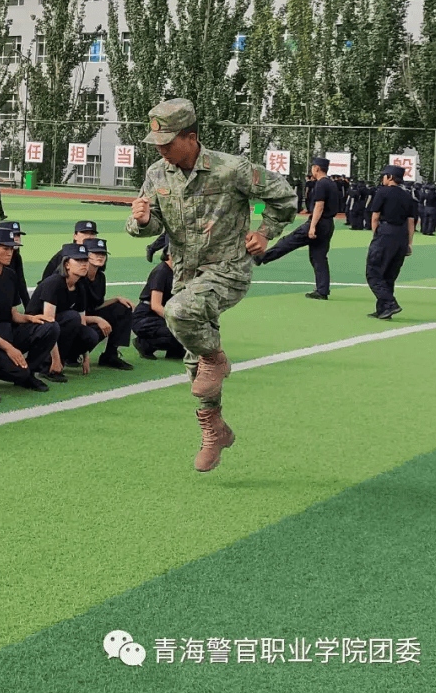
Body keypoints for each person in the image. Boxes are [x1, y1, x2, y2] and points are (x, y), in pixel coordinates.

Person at [126, 98, 297, 473]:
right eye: (156, 142)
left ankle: (217, 358)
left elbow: (284, 195)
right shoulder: (157, 173)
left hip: (228, 270)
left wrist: (265, 232)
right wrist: (140, 220)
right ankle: (214, 429)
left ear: (191, 137)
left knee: (180, 315)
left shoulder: (230, 169)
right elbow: (149, 224)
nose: (161, 149)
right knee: (195, 370)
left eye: (168, 141)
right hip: (186, 277)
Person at [0, 227, 60, 391]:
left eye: (12, 248)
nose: (10, 253)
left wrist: (31, 319)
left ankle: (28, 372)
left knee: (51, 327)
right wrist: (10, 349)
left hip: (9, 331)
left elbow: (13, 314)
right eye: (5, 248)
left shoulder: (10, 275)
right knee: (17, 372)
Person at [255, 156, 340, 300]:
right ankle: (322, 291)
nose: (312, 170)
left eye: (312, 167)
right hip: (328, 224)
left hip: (317, 223)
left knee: (289, 241)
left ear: (317, 168)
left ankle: (262, 257)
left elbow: (319, 206)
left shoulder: (321, 184)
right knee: (319, 257)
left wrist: (312, 226)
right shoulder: (332, 184)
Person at [27, 243, 112, 380]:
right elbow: (49, 321)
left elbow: (82, 321)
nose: (83, 264)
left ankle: (66, 359)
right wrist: (56, 360)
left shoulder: (80, 285)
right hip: (36, 329)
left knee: (90, 335)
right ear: (66, 264)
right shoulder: (54, 283)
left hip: (58, 325)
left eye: (85, 260)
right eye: (78, 260)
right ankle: (47, 366)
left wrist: (86, 356)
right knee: (71, 318)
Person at [365, 164, 417, 320]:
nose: (383, 178)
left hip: (386, 233)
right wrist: (409, 242)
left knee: (373, 272)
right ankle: (383, 310)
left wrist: (376, 235)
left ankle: (390, 303)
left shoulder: (382, 192)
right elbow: (411, 222)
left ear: (390, 177)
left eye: (384, 175)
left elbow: (375, 217)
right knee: (389, 275)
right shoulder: (407, 195)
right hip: (402, 236)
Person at [76, 237, 134, 371]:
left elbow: (96, 305)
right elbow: (74, 313)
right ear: (87, 255)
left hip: (89, 316)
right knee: (96, 329)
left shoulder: (100, 277)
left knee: (122, 309)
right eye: (95, 253)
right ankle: (73, 354)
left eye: (102, 253)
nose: (100, 256)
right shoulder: (79, 278)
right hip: (76, 320)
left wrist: (116, 299)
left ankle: (110, 355)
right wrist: (98, 319)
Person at [131, 247, 186, 360]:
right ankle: (145, 344)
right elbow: (155, 305)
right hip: (146, 316)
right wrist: (177, 320)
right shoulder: (161, 271)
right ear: (168, 254)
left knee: (186, 333)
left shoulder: (180, 272)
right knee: (179, 331)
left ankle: (174, 350)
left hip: (161, 315)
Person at [0, 219, 31, 303]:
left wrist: (30, 310)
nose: (17, 239)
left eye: (18, 235)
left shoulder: (16, 257)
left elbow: (21, 283)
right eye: (13, 235)